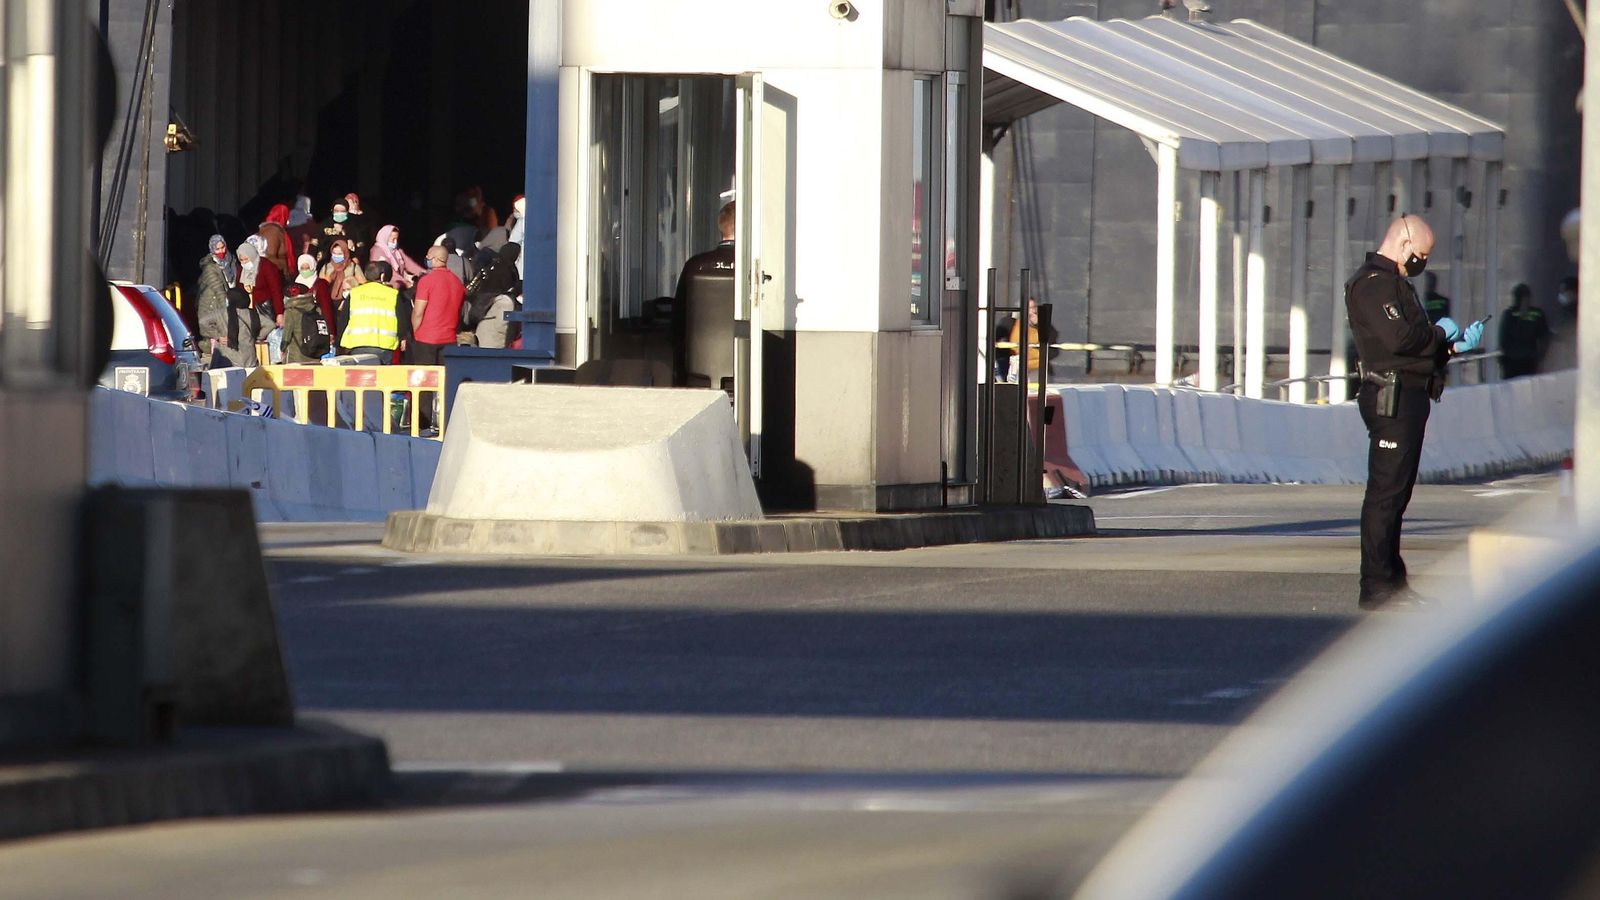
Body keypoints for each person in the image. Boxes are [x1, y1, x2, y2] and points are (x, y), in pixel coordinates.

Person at [1346, 214, 1483, 611]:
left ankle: (1392, 578)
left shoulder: (1395, 285)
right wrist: (1440, 332)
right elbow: (1401, 339)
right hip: (1391, 397)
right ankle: (1376, 585)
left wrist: (1451, 348)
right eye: (1421, 254)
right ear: (1404, 243)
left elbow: (1416, 346)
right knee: (1385, 495)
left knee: (1398, 495)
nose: (1421, 262)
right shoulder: (1372, 285)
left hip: (1410, 395)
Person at [671, 202, 736, 386]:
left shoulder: (694, 266)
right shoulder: (751, 268)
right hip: (742, 374)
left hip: (696, 376)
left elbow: (678, 319)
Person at [410, 246, 466, 366]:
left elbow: (418, 312)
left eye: (428, 256)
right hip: (449, 339)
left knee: (425, 380)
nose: (426, 258)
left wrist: (416, 332)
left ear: (436, 259)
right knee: (444, 380)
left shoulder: (426, 281)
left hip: (426, 338)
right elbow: (459, 311)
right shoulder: (458, 283)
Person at [339, 261, 405, 360]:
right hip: (385, 345)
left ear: (365, 275)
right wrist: (403, 338)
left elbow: (343, 320)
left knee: (361, 375)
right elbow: (402, 320)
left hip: (357, 344)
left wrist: (338, 343)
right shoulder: (393, 294)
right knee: (382, 375)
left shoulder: (354, 293)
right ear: (382, 276)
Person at [465, 243, 522, 349]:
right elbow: (512, 290)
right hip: (496, 307)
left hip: (479, 303)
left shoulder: (489, 263)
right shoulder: (511, 270)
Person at [996, 298, 1060, 384]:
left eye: (1033, 307)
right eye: (1028, 308)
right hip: (1015, 367)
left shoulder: (1042, 324)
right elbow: (996, 341)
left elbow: (1052, 345)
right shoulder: (1009, 322)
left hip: (1036, 368)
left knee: (1035, 391)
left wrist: (1039, 325)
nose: (1032, 311)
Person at [1498, 283, 1551, 379]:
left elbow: (1503, 339)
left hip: (1522, 362)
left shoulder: (1511, 314)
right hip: (1520, 362)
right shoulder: (1512, 314)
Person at [280, 284, 331, 364]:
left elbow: (287, 334)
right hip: (315, 354)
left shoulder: (291, 311)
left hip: (296, 356)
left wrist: (282, 348)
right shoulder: (316, 308)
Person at [237, 239, 285, 326]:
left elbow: (276, 290)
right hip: (249, 309)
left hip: (265, 308)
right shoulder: (241, 270)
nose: (244, 262)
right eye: (241, 260)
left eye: (246, 259)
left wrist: (279, 313)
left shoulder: (266, 266)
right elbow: (240, 289)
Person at [294, 253, 337, 345]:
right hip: (298, 328)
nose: (305, 271)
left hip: (315, 327)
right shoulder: (295, 285)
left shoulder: (320, 285)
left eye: (307, 268)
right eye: (302, 268)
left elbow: (326, 308)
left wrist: (331, 331)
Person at [371, 224, 425, 290]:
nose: (395, 242)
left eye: (397, 239)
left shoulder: (397, 250)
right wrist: (405, 282)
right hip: (387, 287)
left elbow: (409, 263)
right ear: (385, 238)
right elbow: (388, 272)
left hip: (399, 285)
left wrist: (423, 272)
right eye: (393, 239)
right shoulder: (377, 251)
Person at [319, 238, 366, 305]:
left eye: (339, 254)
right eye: (334, 253)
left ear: (345, 253)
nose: (336, 256)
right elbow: (321, 286)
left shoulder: (353, 267)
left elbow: (362, 285)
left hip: (348, 302)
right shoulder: (327, 267)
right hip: (328, 302)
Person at [257, 203, 293, 279]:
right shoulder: (274, 231)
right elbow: (270, 256)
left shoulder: (269, 230)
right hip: (274, 275)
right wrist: (285, 274)